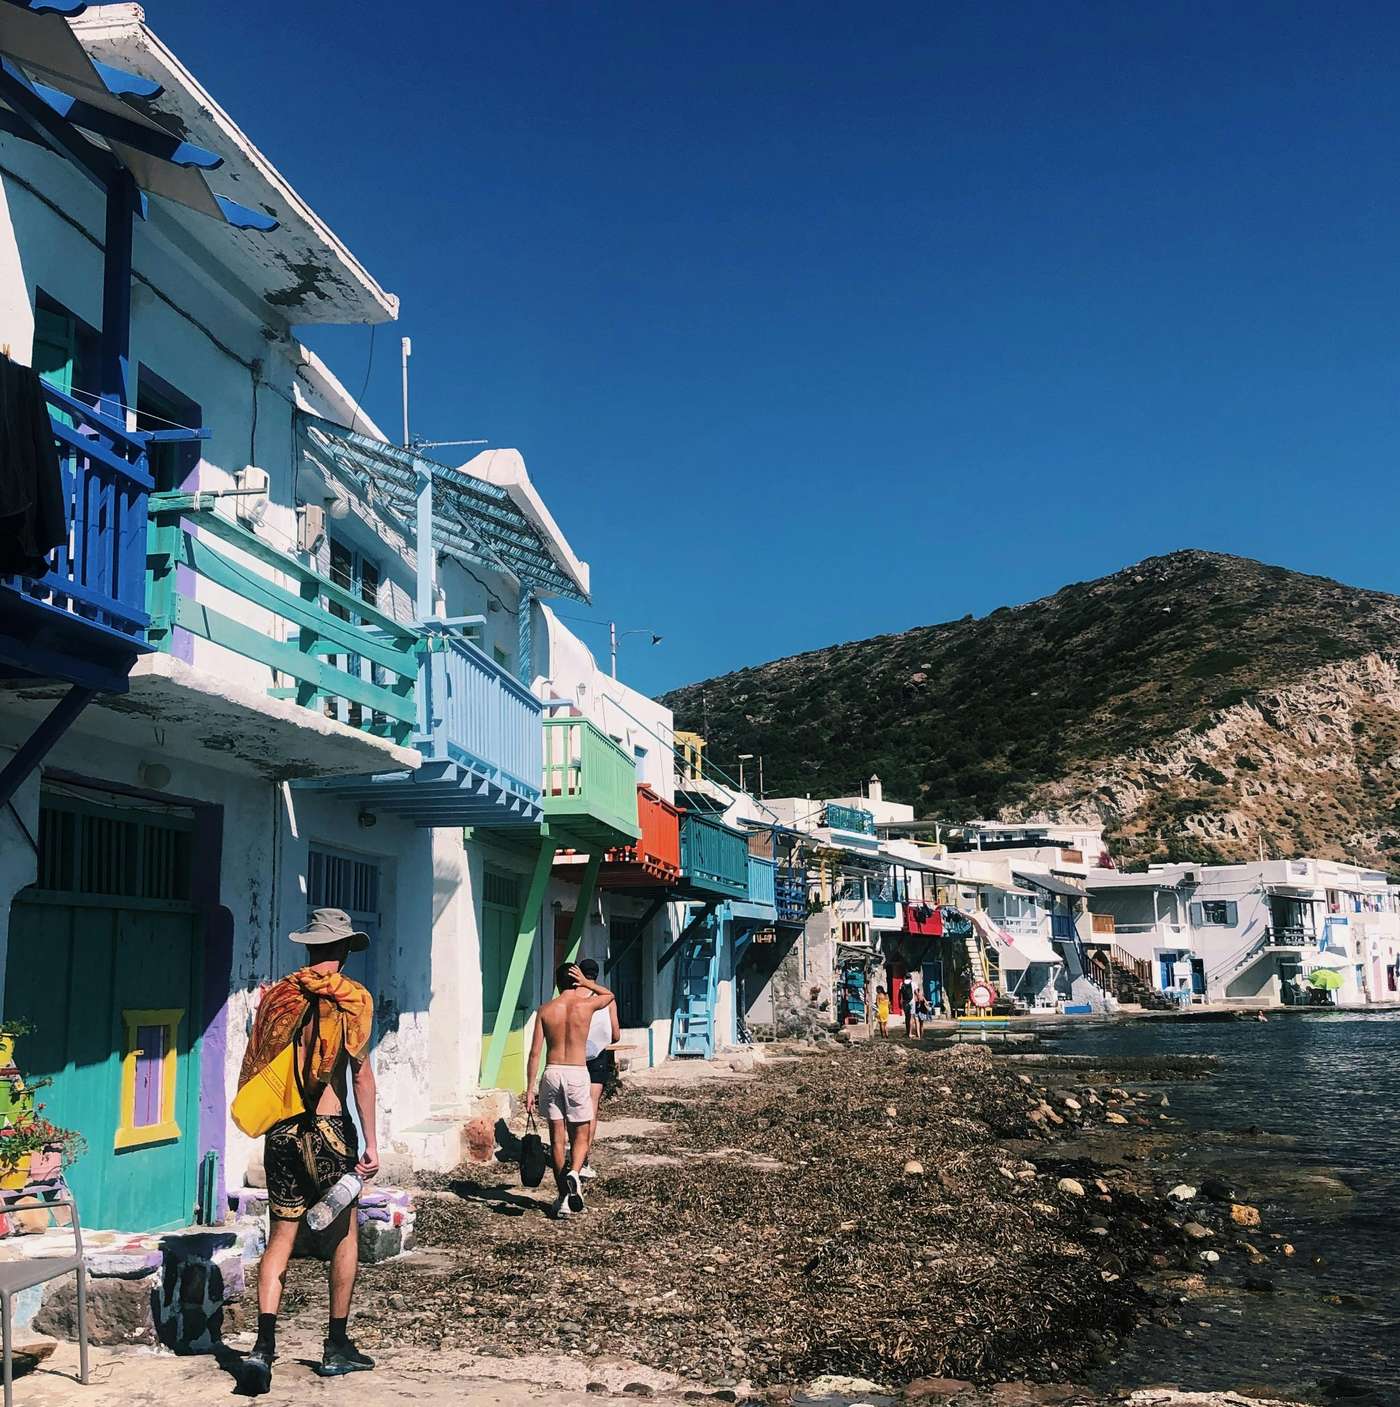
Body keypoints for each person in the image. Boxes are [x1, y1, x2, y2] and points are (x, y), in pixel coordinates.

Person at [236, 909, 379, 1393]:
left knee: (281, 1238)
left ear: (309, 948)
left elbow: (256, 1059)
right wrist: (372, 1142)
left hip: (280, 1131)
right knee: (342, 1235)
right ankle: (336, 1345)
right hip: (328, 1129)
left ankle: (262, 1349)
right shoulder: (352, 999)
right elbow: (359, 1073)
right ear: (343, 950)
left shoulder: (279, 996)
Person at [525, 962, 617, 1218]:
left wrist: (530, 1088)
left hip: (552, 1071)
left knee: (556, 1138)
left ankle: (562, 1197)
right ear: (576, 982)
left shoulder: (546, 1010)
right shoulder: (585, 1006)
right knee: (581, 1134)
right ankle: (575, 1173)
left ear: (556, 983)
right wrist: (588, 984)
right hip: (577, 1072)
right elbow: (608, 996)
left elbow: (534, 1053)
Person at [577, 957, 620, 1183]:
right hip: (598, 1056)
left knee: (572, 1107)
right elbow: (616, 1034)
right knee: (591, 1107)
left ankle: (572, 1149)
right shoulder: (607, 999)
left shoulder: (572, 998)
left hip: (573, 1055)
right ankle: (583, 1158)